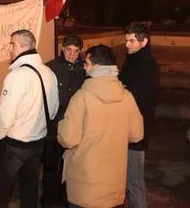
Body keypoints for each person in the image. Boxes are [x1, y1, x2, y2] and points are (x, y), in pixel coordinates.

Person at [58, 44, 144, 208]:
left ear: (97, 66)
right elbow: (137, 134)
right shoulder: (126, 97)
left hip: (85, 185)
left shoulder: (82, 98)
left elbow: (68, 139)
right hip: (114, 183)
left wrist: (61, 125)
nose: (84, 66)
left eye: (87, 63)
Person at [0, 30, 60, 208]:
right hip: (37, 144)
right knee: (29, 191)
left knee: (1, 193)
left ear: (25, 47)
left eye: (13, 44)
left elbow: (5, 118)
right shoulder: (49, 73)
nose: (10, 48)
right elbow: (52, 111)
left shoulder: (16, 76)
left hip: (14, 145)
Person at [119, 22, 160, 208]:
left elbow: (134, 98)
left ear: (144, 42)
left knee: (134, 182)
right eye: (126, 40)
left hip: (135, 132)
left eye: (132, 41)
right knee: (127, 181)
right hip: (129, 129)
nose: (127, 44)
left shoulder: (145, 66)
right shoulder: (134, 62)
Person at [42, 35, 86, 208]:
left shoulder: (85, 69)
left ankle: (65, 198)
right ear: (63, 49)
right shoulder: (51, 68)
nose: (72, 54)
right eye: (69, 50)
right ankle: (48, 199)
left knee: (71, 166)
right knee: (51, 165)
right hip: (53, 125)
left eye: (76, 51)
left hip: (75, 124)